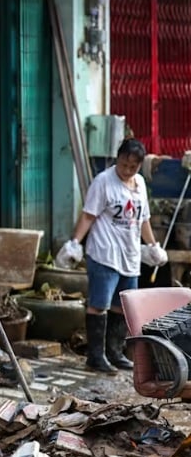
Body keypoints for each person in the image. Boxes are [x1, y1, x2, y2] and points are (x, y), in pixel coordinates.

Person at [56, 138, 167, 373]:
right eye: (124, 165)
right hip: (104, 253)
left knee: (122, 306)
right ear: (117, 159)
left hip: (130, 255)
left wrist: (153, 245)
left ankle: (115, 353)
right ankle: (95, 357)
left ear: (139, 166)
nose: (127, 171)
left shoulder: (139, 184)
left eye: (133, 167)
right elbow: (88, 215)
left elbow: (143, 219)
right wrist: (75, 243)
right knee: (99, 305)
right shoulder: (103, 182)